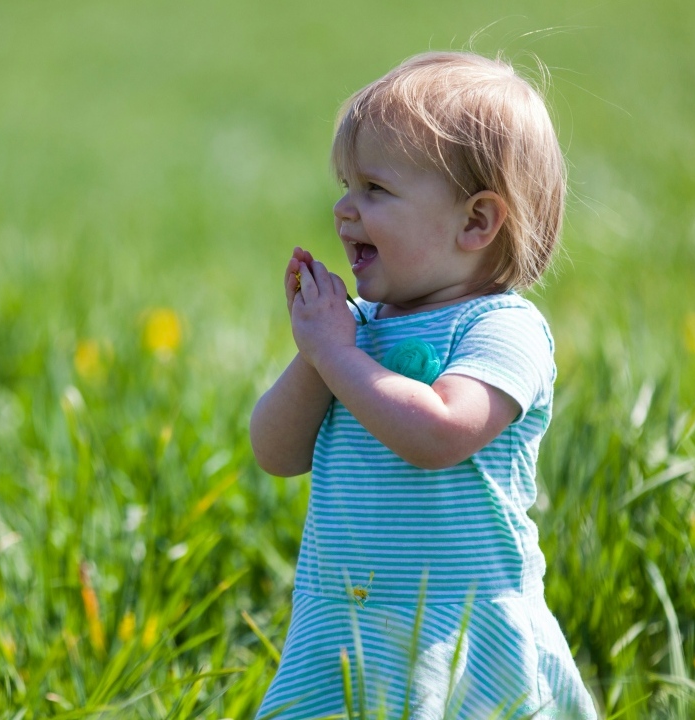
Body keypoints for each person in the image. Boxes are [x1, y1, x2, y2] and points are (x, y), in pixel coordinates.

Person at [250, 51, 597, 719]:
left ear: (475, 222)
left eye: (375, 189)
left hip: (462, 630)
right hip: (345, 625)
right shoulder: (355, 331)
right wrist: (318, 356)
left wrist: (338, 355)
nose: (343, 209)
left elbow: (440, 432)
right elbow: (276, 452)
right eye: (346, 185)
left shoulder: (502, 329)